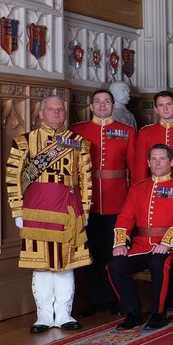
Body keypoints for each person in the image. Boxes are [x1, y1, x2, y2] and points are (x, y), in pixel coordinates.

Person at [5, 96, 93, 333]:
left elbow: (85, 179)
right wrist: (17, 209)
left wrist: (85, 209)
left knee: (65, 265)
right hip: (36, 210)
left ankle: (64, 313)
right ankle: (43, 315)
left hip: (68, 210)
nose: (56, 113)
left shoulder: (78, 143)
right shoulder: (24, 142)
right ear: (41, 114)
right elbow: (13, 178)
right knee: (42, 265)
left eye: (60, 109)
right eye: (51, 109)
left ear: (65, 113)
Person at [108, 145, 173, 330]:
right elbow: (125, 217)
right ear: (148, 163)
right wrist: (120, 242)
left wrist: (166, 242)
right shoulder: (137, 188)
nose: (157, 163)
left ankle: (158, 313)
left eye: (162, 158)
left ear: (171, 162)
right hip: (141, 245)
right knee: (115, 265)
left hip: (171, 246)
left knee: (159, 262)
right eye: (153, 159)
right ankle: (132, 313)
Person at [71, 88, 136, 316]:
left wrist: (133, 201)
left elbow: (135, 170)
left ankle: (112, 298)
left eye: (106, 101)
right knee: (91, 252)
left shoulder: (126, 131)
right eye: (97, 101)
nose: (101, 105)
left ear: (112, 105)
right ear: (90, 106)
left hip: (117, 201)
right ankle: (93, 299)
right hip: (86, 202)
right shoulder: (77, 131)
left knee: (113, 252)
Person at [134, 91, 173, 182]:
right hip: (154, 184)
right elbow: (140, 167)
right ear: (156, 110)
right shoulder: (145, 132)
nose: (165, 108)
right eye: (161, 105)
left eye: (168, 104)